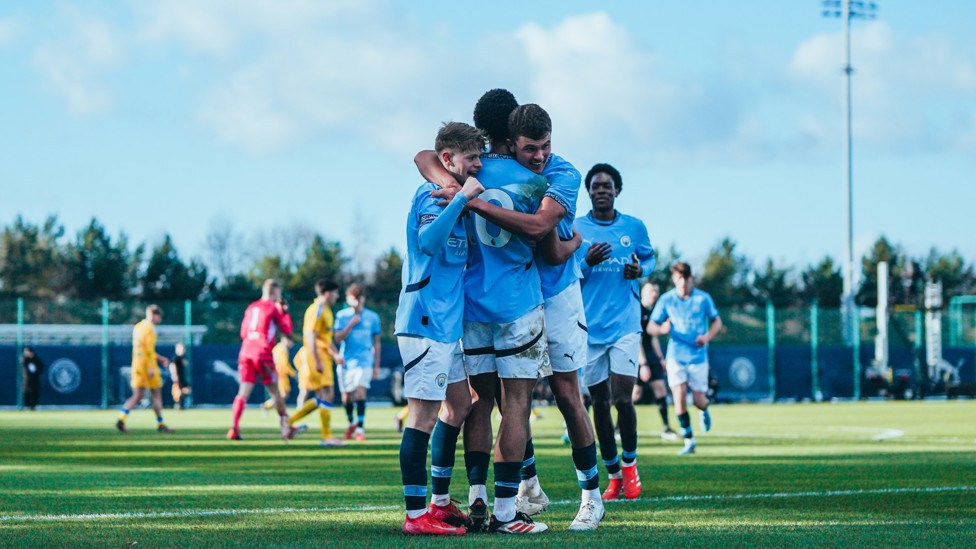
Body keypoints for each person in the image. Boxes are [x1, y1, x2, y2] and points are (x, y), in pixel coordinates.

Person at [417, 90, 602, 531]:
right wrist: (576, 243)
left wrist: (461, 193)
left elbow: (424, 155)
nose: (539, 155)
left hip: (514, 298)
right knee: (526, 400)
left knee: (511, 400)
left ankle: (572, 495)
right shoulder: (532, 178)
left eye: (544, 146)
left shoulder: (472, 170)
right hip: (530, 296)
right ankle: (513, 498)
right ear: (510, 139)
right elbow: (553, 248)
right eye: (530, 147)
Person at [395, 121, 484, 536]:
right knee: (422, 418)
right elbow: (429, 243)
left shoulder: (457, 196)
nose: (478, 165)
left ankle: (440, 502)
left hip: (448, 328)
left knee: (461, 404)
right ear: (449, 159)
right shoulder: (430, 195)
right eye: (472, 158)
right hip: (424, 321)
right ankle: (415, 516)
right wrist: (460, 198)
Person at [575, 163, 656, 500]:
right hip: (590, 329)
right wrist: (587, 262)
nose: (602, 190)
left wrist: (641, 269)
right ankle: (612, 475)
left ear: (617, 190)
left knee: (624, 399)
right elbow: (566, 270)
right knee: (599, 402)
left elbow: (650, 260)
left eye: (607, 185)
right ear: (589, 191)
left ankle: (630, 466)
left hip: (625, 325)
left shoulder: (633, 227)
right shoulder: (577, 228)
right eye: (596, 186)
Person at [648, 262, 723, 455]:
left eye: (685, 279)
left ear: (691, 279)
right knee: (679, 397)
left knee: (699, 400)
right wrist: (661, 329)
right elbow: (650, 327)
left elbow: (717, 321)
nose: (682, 283)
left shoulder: (703, 299)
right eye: (678, 279)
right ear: (674, 280)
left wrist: (707, 337)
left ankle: (703, 410)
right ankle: (689, 440)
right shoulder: (667, 300)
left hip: (698, 357)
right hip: (676, 356)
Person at [228, 279, 295, 441]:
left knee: (243, 393)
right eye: (279, 294)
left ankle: (234, 428)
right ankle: (286, 427)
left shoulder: (251, 307)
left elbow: (243, 333)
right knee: (276, 392)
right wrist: (284, 312)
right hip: (262, 352)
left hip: (245, 351)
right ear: (273, 292)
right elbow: (287, 330)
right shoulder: (273, 307)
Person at [286, 279, 346, 447]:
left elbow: (325, 339)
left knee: (323, 397)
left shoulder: (326, 310)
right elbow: (310, 336)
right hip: (316, 357)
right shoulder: (317, 309)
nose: (337, 296)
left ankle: (289, 422)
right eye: (335, 293)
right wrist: (316, 360)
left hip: (324, 356)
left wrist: (335, 355)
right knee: (327, 394)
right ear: (327, 293)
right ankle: (326, 436)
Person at [334, 283, 382, 442]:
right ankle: (352, 424)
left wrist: (376, 365)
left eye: (358, 299)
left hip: (365, 361)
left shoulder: (373, 317)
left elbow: (377, 343)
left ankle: (360, 429)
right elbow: (337, 338)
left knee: (361, 393)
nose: (355, 302)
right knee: (346, 397)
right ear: (348, 300)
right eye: (352, 299)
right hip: (346, 362)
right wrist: (351, 324)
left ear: (362, 299)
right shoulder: (341, 316)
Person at [117, 305, 175, 433]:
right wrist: (150, 366)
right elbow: (148, 350)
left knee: (137, 395)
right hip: (147, 365)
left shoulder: (138, 326)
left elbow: (142, 349)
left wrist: (160, 358)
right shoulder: (150, 328)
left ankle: (121, 418)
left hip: (137, 364)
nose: (159, 319)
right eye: (159, 316)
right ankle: (161, 424)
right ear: (155, 315)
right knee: (156, 394)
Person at [638, 282, 679, 440]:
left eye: (656, 290)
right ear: (643, 293)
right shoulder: (637, 309)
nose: (654, 293)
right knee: (634, 394)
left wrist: (660, 358)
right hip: (637, 354)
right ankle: (617, 429)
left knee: (660, 388)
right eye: (651, 290)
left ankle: (666, 428)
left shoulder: (654, 312)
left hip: (650, 355)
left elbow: (653, 337)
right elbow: (637, 338)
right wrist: (643, 364)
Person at [264, 337, 298, 411]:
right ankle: (269, 406)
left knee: (283, 393)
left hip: (276, 373)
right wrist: (293, 373)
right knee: (283, 394)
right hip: (280, 374)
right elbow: (284, 364)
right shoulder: (282, 349)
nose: (292, 344)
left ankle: (270, 406)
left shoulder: (277, 348)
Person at [169, 342, 191, 410]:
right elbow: (172, 365)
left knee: (186, 390)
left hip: (181, 376)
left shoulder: (181, 358)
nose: (184, 350)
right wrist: (174, 375)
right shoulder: (176, 357)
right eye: (182, 348)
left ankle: (180, 404)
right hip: (178, 377)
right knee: (180, 390)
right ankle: (178, 403)